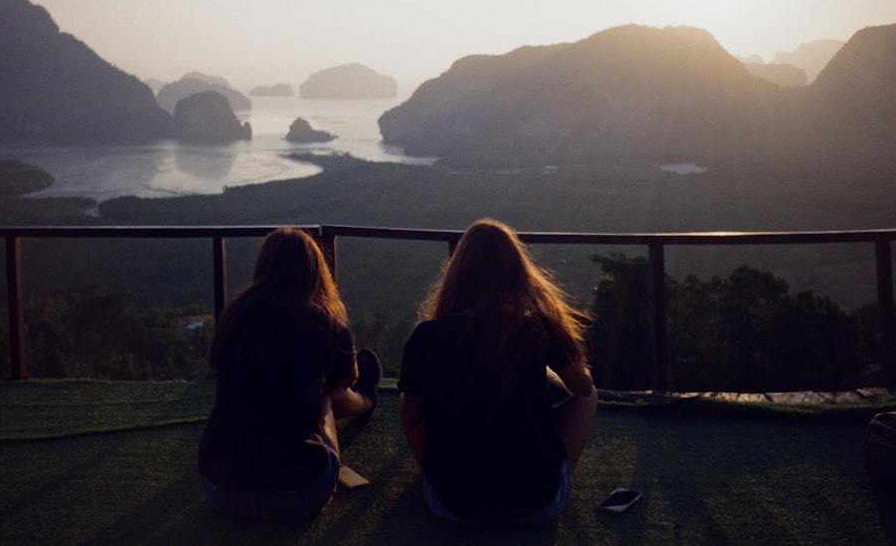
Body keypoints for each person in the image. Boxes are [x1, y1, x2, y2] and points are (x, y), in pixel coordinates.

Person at [397, 218, 597, 523]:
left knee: (406, 399)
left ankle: (439, 479)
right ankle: (544, 475)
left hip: (453, 506)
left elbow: (413, 415)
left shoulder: (429, 335)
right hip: (539, 505)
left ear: (459, 274)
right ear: (518, 275)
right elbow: (581, 386)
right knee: (589, 395)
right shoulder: (537, 327)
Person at [198, 227, 381, 521]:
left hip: (220, 489)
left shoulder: (235, 316)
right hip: (298, 493)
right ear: (315, 271)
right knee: (324, 393)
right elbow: (346, 380)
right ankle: (367, 402)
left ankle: (365, 402)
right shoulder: (325, 324)